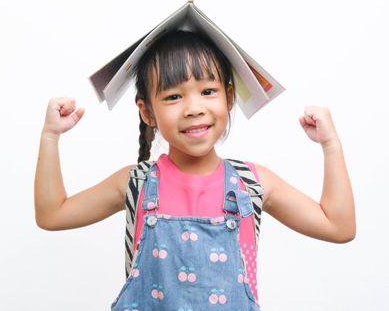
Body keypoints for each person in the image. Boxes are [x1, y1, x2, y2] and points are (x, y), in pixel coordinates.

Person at [34, 30, 356, 310]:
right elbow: (53, 214)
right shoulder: (136, 183)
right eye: (173, 96)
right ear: (147, 112)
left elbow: (338, 227)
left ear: (229, 98)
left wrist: (332, 146)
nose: (194, 108)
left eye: (208, 91)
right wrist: (50, 137)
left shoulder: (252, 184)